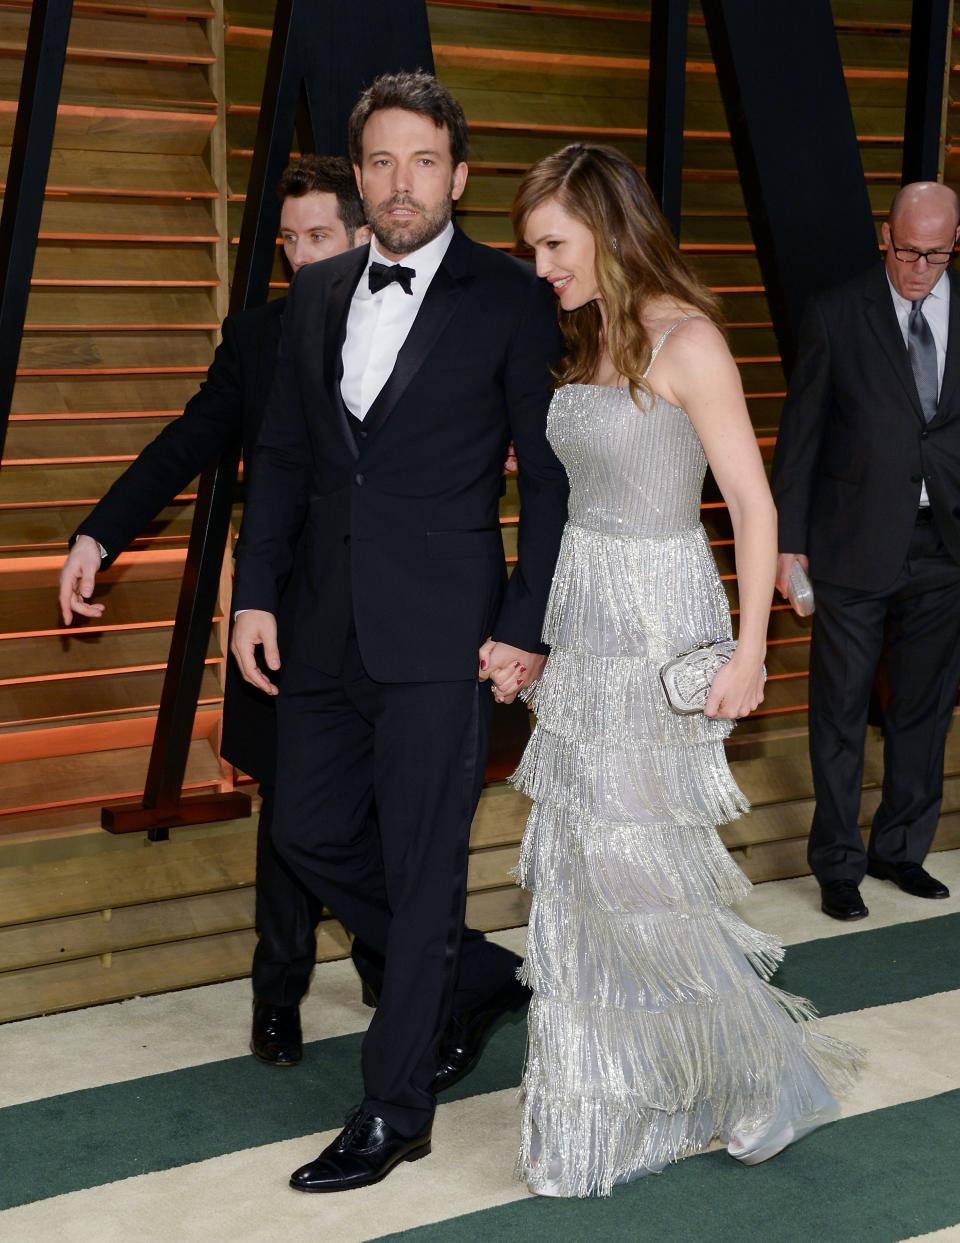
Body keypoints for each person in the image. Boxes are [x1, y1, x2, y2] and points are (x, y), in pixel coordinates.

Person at [230, 70, 569, 1193]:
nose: (399, 182)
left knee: (424, 872)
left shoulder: (513, 299)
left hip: (447, 636)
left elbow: (551, 480)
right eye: (380, 161)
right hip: (321, 629)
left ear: (459, 176)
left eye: (423, 161)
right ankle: (469, 973)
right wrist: (256, 594)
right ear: (359, 173)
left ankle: (395, 1108)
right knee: (307, 834)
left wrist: (528, 624)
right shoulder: (322, 293)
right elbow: (282, 456)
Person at [505, 143, 861, 1198]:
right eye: (532, 247)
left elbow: (753, 506)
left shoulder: (689, 340)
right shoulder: (585, 340)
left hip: (660, 621)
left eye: (554, 243)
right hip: (586, 620)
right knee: (578, 870)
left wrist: (753, 651)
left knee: (640, 874)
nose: (541, 266)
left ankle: (749, 1078)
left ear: (609, 231)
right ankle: (610, 1104)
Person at [57, 157, 374, 1067]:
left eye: (320, 236)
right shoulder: (259, 338)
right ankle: (277, 997)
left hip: (395, 611)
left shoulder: (420, 325)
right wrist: (98, 535)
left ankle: (396, 973)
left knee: (391, 807)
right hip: (280, 612)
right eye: (290, 241)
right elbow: (186, 442)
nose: (303, 256)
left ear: (361, 234)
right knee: (286, 813)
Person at [772, 181, 960, 922]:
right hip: (850, 542)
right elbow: (802, 438)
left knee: (925, 708)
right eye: (907, 250)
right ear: (885, 236)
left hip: (944, 544)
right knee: (840, 710)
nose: (918, 266)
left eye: (935, 254)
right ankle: (838, 864)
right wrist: (789, 545)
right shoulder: (836, 311)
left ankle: (900, 850)